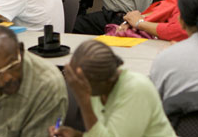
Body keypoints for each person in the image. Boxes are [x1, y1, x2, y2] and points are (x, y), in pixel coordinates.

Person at [48, 40, 176, 137]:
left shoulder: (137, 89)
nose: (79, 86)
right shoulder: (99, 86)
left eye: (83, 84)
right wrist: (77, 135)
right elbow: (105, 132)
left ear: (107, 81)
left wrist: (84, 101)